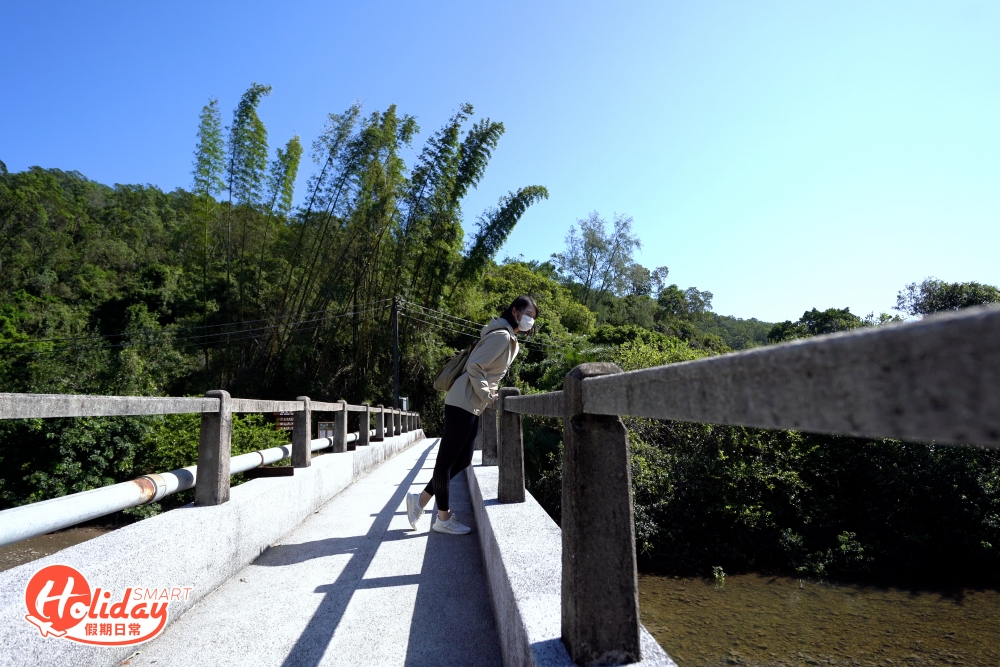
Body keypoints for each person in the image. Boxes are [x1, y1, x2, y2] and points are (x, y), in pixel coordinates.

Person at [406, 295, 538, 534]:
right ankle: (442, 518)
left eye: (533, 317)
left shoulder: (507, 337)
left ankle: (420, 501)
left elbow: (488, 371)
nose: (530, 320)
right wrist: (488, 395)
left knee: (464, 460)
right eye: (528, 314)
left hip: (471, 402)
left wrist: (488, 394)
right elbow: (475, 366)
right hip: (463, 401)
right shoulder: (502, 336)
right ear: (515, 311)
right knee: (445, 463)